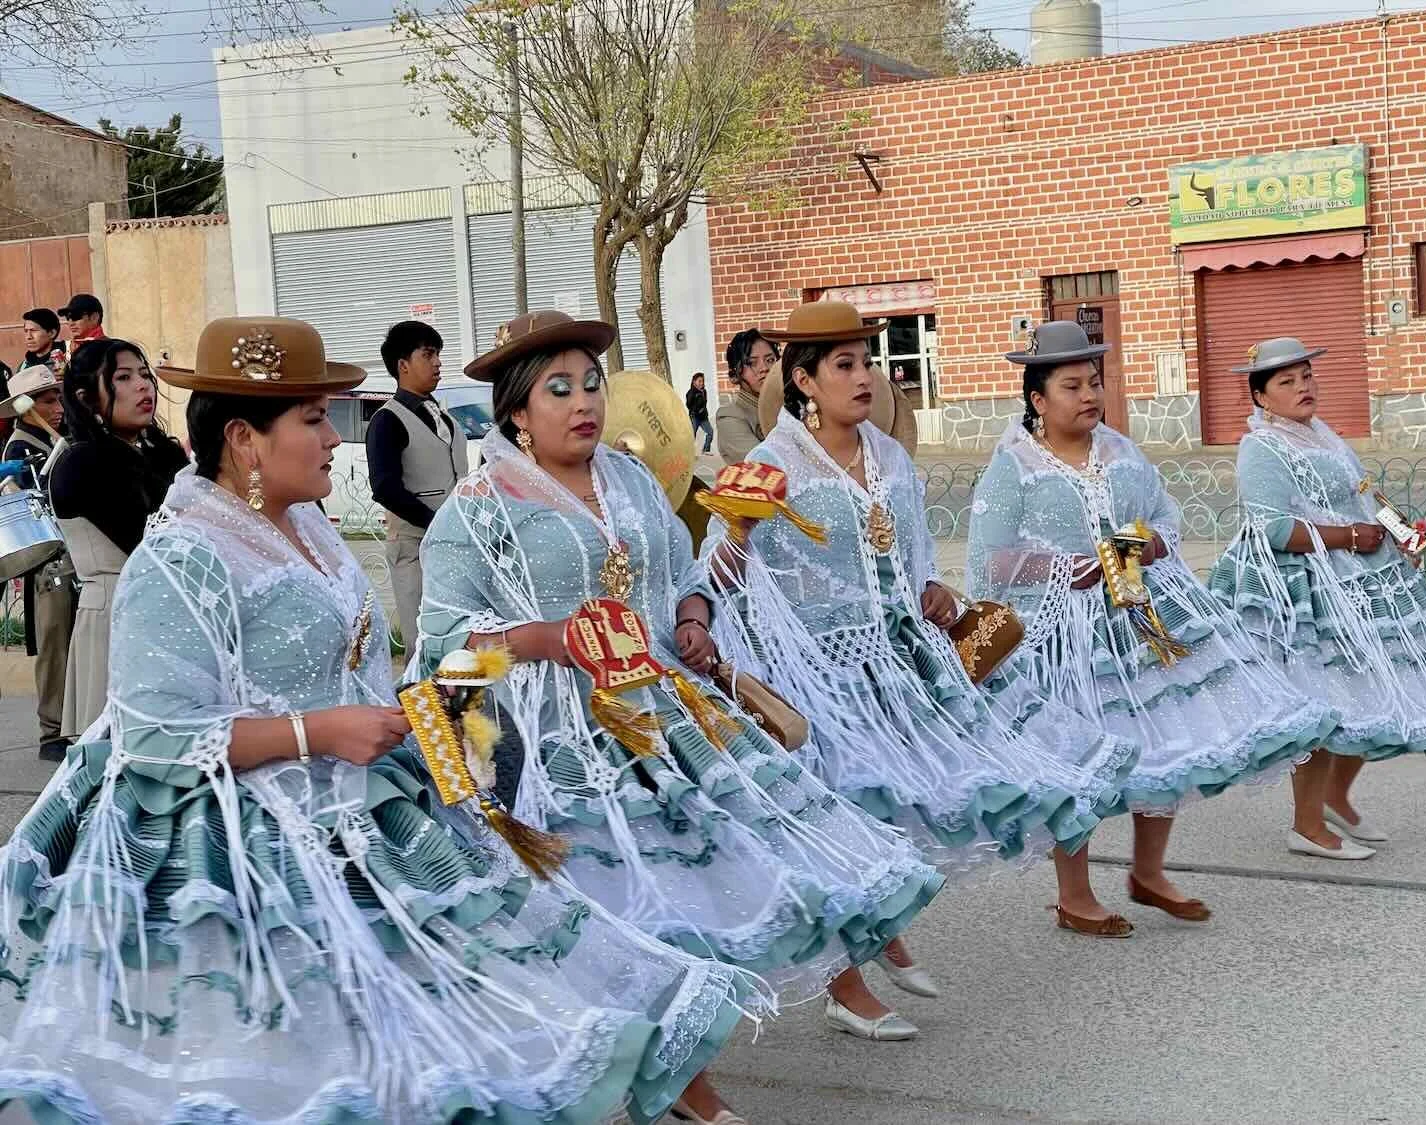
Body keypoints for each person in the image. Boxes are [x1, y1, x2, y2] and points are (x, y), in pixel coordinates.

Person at [0, 314, 740, 1124]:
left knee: (437, 1015)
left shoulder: (308, 525)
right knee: (296, 1068)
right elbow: (153, 736)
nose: (332, 438)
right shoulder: (182, 558)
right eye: (314, 418)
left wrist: (444, 724)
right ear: (245, 439)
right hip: (242, 848)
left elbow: (364, 673)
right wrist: (318, 732)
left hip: (356, 805)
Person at [416, 310, 943, 1119]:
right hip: (562, 741)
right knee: (623, 904)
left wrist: (696, 608)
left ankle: (698, 1064)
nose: (585, 401)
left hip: (667, 716)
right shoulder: (477, 510)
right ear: (516, 412)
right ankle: (679, 1084)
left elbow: (676, 577)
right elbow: (445, 656)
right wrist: (540, 638)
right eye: (558, 389)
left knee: (719, 874)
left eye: (593, 382)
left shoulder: (630, 479)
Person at [703, 302, 1134, 913]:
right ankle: (859, 969)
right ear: (803, 382)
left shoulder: (890, 457)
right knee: (848, 805)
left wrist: (928, 587)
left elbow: (913, 554)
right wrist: (738, 534)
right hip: (824, 675)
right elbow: (723, 580)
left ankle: (893, 940)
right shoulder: (769, 467)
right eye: (845, 365)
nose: (864, 378)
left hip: (903, 658)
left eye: (867, 363)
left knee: (997, 768)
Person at [966, 321, 1335, 935]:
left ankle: (1148, 872)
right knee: (1079, 756)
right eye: (1071, 385)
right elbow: (987, 559)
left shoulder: (1119, 450)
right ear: (1037, 399)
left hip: (1139, 610)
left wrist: (1143, 542)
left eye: (1095, 382)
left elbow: (1164, 513)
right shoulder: (1015, 466)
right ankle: (1075, 894)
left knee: (1164, 735)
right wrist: (1068, 568)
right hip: (1063, 631)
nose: (1089, 395)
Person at [1209, 337, 1426, 858]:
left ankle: (1336, 799)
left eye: (1306, 376)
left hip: (1365, 580)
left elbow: (1362, 498)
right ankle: (1305, 826)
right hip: (1310, 592)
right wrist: (1347, 537)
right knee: (1326, 704)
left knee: (1374, 691)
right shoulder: (1262, 447)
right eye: (1286, 381)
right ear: (1260, 397)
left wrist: (1396, 532)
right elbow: (1272, 528)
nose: (1303, 387)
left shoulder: (1322, 436)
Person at [49, 338, 189, 740]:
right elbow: (153, 540)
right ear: (85, 397)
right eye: (123, 378)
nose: (144, 386)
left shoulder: (159, 453)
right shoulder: (82, 462)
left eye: (145, 375)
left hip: (173, 611)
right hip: (117, 616)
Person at [365, 320, 466, 655]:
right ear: (403, 365)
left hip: (456, 544)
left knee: (463, 639)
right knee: (424, 642)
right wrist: (437, 522)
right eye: (428, 354)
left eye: (438, 353)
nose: (438, 362)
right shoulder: (387, 420)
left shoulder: (444, 415)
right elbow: (384, 488)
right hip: (415, 546)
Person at [0, 367, 76, 761]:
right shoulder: (19, 447)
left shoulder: (61, 439)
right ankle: (52, 732)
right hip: (51, 560)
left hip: (78, 552)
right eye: (47, 400)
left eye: (58, 398)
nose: (57, 407)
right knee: (55, 645)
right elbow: (24, 503)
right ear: (23, 408)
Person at [716, 328, 780, 463]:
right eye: (752, 363)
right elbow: (766, 467)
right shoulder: (730, 416)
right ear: (735, 375)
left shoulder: (789, 406)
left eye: (770, 360)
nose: (764, 368)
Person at [18, 308, 67, 374]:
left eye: (33, 331)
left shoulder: (70, 359)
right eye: (26, 331)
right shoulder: (23, 367)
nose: (28, 337)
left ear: (52, 333)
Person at [686, 371, 713, 453]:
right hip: (694, 418)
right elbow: (689, 405)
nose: (702, 383)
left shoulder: (704, 391)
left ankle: (706, 450)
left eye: (702, 381)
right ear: (694, 382)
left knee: (710, 433)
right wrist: (697, 410)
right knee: (692, 436)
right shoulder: (690, 393)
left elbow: (705, 403)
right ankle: (689, 452)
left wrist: (703, 411)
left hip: (703, 417)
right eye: (699, 381)